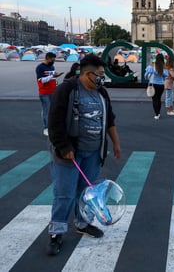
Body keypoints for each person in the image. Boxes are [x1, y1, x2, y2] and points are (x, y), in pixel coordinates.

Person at [47, 54, 121, 256]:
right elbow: (54, 122)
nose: (101, 78)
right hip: (69, 153)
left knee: (86, 192)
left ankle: (82, 222)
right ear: (87, 74)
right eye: (99, 74)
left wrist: (115, 143)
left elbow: (110, 119)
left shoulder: (101, 93)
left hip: (93, 153)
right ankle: (56, 232)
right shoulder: (67, 90)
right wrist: (64, 147)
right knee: (65, 194)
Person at [35, 52, 64, 136]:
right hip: (44, 92)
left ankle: (52, 127)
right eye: (52, 60)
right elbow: (42, 80)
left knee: (53, 111)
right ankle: (46, 128)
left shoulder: (52, 67)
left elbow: (53, 79)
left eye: (54, 60)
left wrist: (56, 79)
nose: (53, 61)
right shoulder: (40, 67)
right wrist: (52, 76)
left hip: (53, 91)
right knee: (46, 110)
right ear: (47, 58)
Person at [144, 53, 168, 119]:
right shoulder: (164, 66)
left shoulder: (152, 65)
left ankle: (156, 114)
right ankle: (158, 112)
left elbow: (146, 75)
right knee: (159, 98)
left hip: (153, 84)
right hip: (161, 85)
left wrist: (147, 78)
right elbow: (166, 75)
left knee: (154, 99)